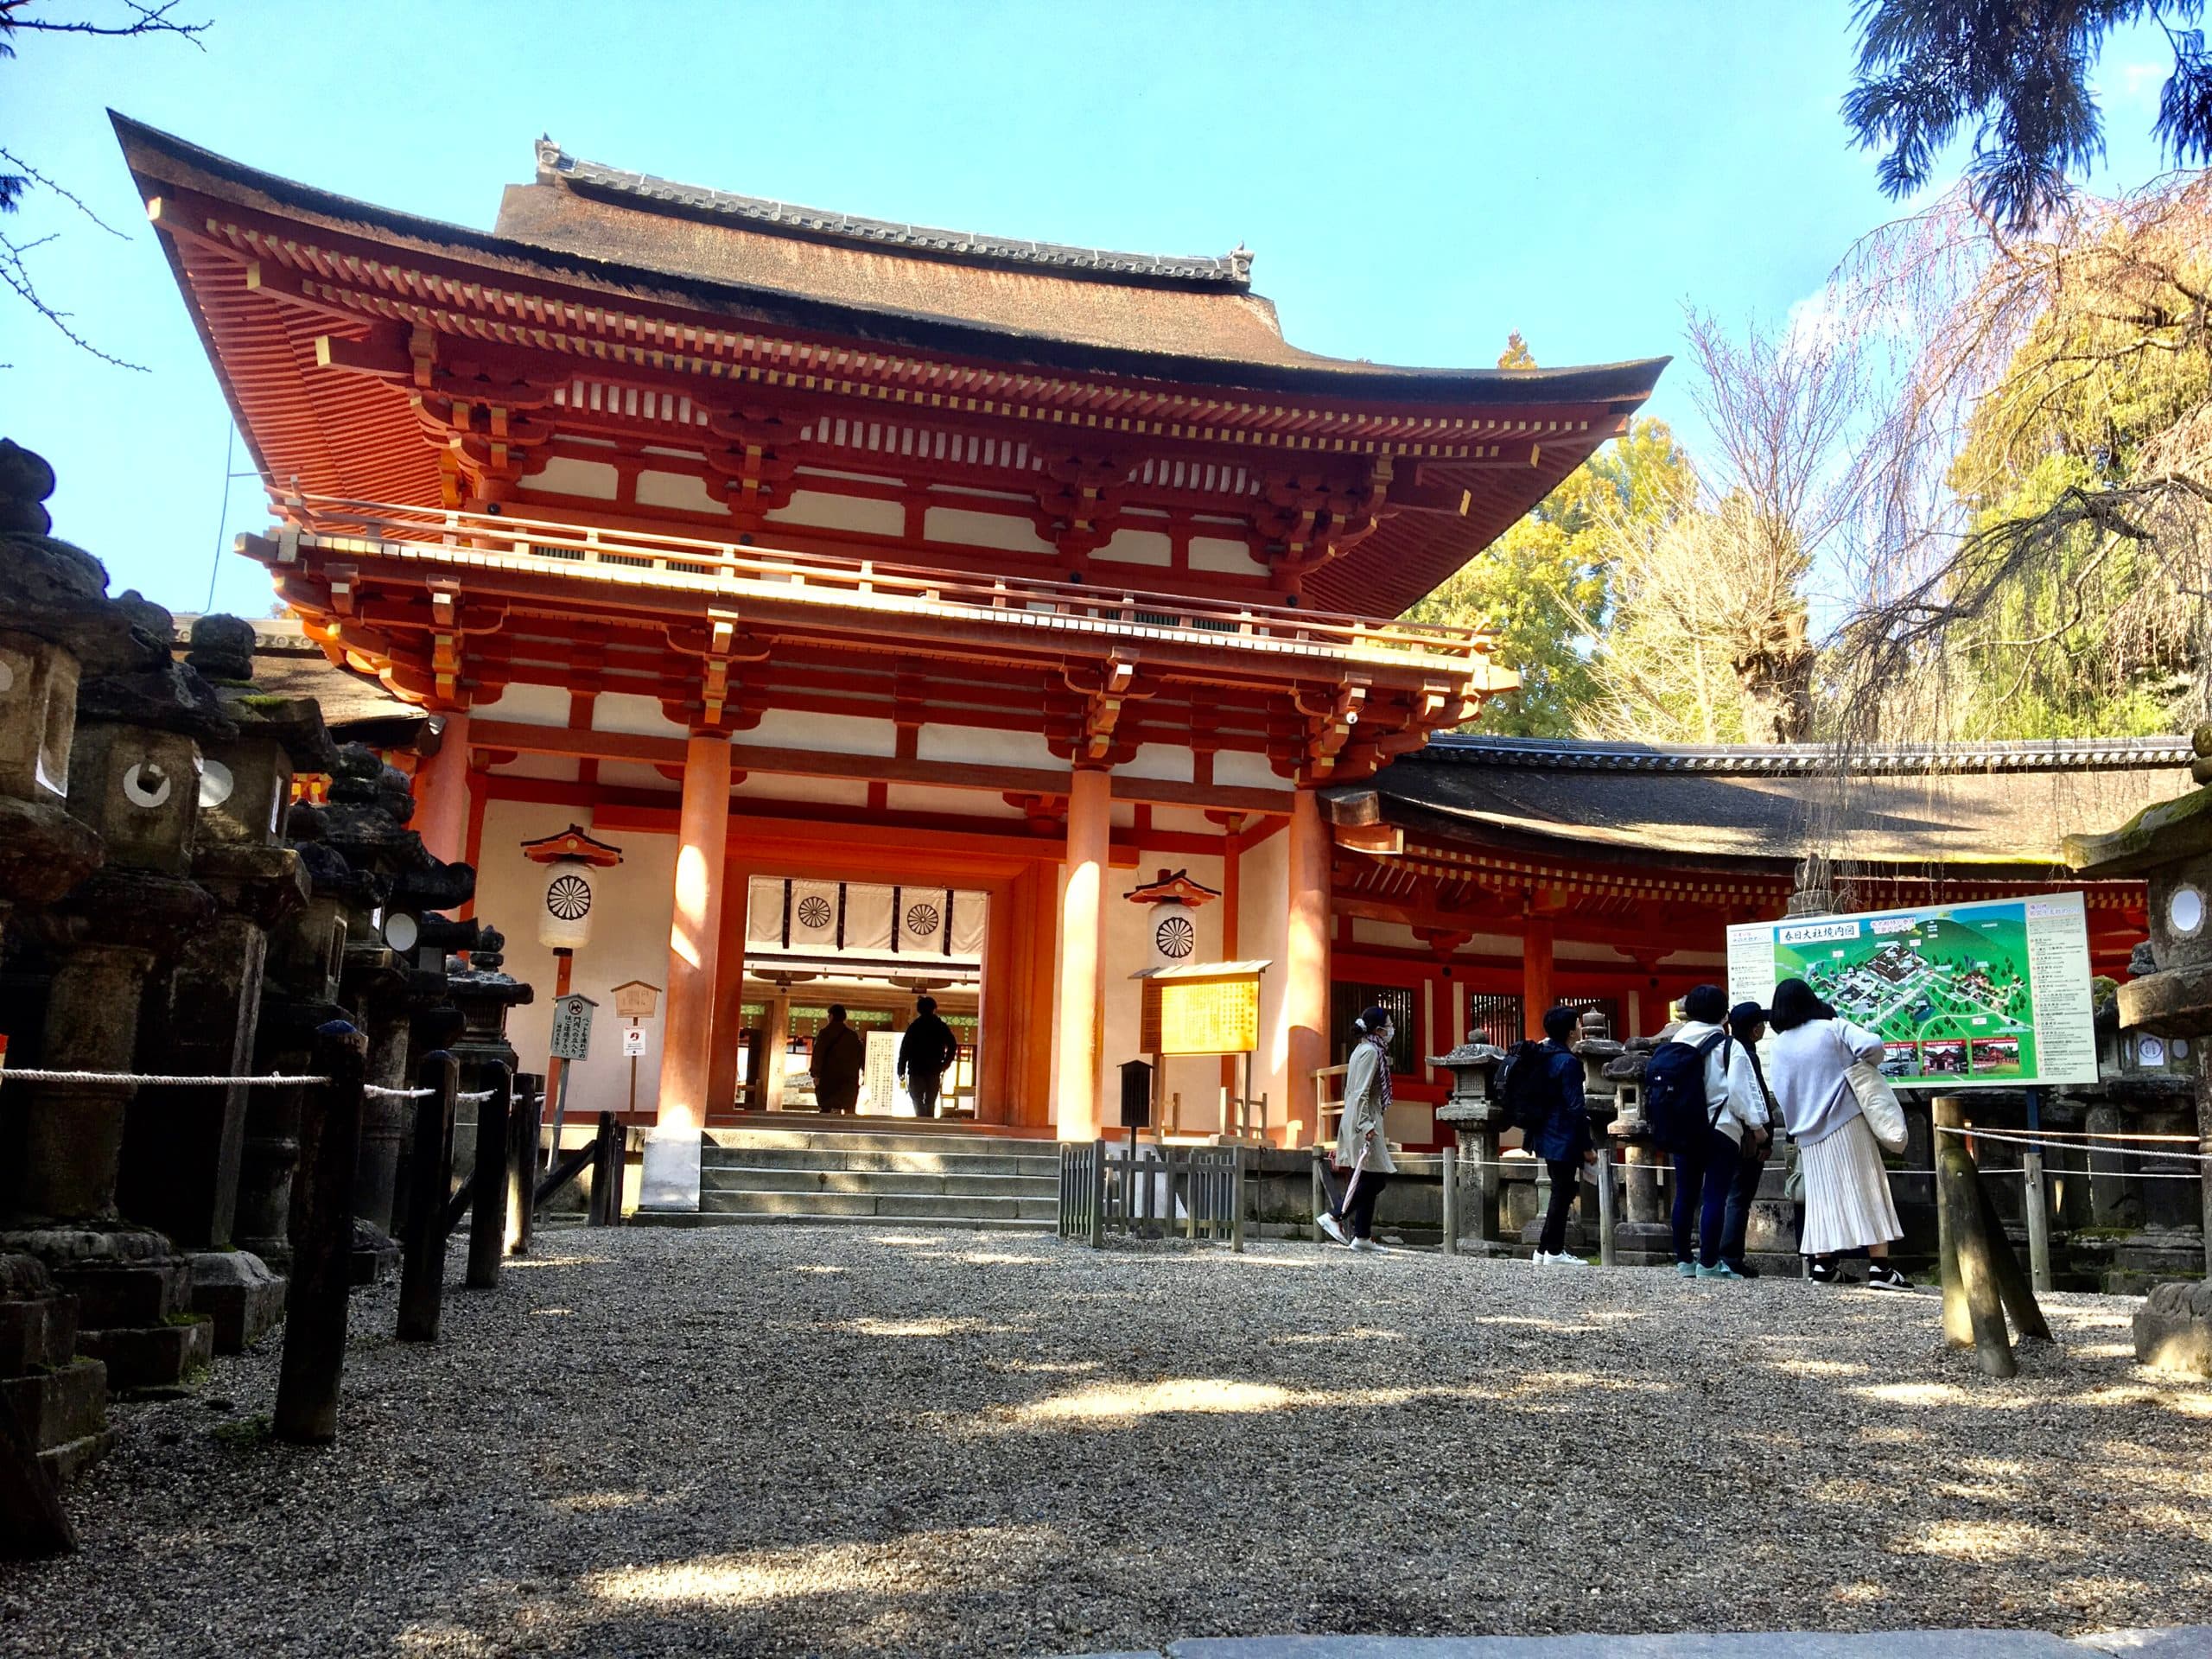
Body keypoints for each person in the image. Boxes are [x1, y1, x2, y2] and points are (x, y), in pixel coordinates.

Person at [1764, 976, 1911, 1289]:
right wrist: (1859, 1067)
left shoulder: (1778, 1047)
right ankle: (1880, 1269)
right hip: (1845, 1121)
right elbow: (1873, 1045)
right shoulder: (1831, 1028)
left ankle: (1823, 1265)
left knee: (1821, 1199)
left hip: (1807, 1133)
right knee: (1868, 1189)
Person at [1668, 984, 1768, 1281]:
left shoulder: (1675, 1042)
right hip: (1720, 1129)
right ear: (1724, 1014)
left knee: (1684, 1195)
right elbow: (1740, 1095)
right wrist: (1757, 1128)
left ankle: (1684, 1260)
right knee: (1714, 1196)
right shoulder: (1729, 1046)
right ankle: (1709, 1263)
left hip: (1684, 1130)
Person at [1318, 1005, 1398, 1254]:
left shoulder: (1363, 1050)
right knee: (1375, 1179)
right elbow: (1361, 1091)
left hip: (1360, 1117)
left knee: (1367, 1176)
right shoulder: (1371, 1052)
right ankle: (1335, 1215)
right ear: (1378, 1029)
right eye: (1389, 1024)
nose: (1392, 1029)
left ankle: (1362, 1236)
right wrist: (1365, 1125)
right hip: (1363, 1120)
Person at [1529, 1004, 1597, 1267]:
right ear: (1571, 1031)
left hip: (1545, 1131)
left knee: (1561, 1190)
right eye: (1578, 1024)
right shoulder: (1567, 1062)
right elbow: (1575, 1108)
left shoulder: (1543, 1055)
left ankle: (1544, 1248)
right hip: (1564, 1135)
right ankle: (1555, 1251)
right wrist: (1587, 1145)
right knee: (1562, 1191)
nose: (1580, 1028)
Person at [1718, 1001, 1778, 1275]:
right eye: (1761, 1024)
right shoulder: (1747, 1056)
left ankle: (1717, 1252)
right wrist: (1764, 1136)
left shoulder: (1724, 1050)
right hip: (1747, 1137)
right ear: (1755, 1030)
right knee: (1739, 1197)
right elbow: (1756, 1099)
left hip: (1723, 1132)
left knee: (1725, 1194)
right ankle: (1731, 1255)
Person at [896, 995, 957, 1119]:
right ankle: (929, 1123)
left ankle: (921, 1121)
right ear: (934, 1009)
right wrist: (945, 1064)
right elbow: (952, 1045)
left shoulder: (914, 1027)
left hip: (916, 1069)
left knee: (917, 1098)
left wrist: (901, 1069)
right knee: (930, 1100)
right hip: (934, 1069)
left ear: (919, 1010)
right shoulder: (940, 1026)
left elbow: (904, 1050)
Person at [809, 1004, 863, 1115]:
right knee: (849, 1110)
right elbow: (860, 1056)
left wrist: (816, 1074)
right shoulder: (852, 1036)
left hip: (828, 1080)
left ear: (831, 1016)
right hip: (849, 1081)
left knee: (827, 1109)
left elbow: (818, 1055)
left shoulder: (825, 1034)